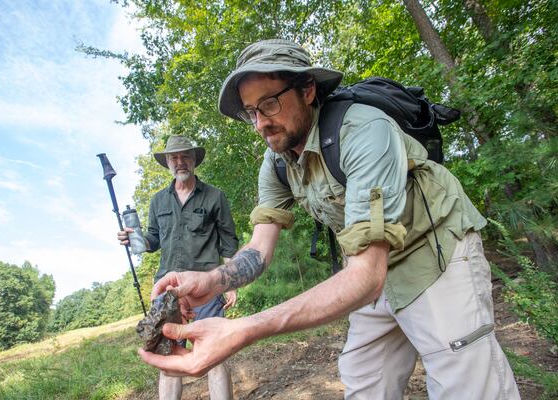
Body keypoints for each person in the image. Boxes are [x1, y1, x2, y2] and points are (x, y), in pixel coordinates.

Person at [138, 39, 521, 400]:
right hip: (370, 271)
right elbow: (258, 248)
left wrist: (243, 329)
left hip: (433, 252)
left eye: (269, 104)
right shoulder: (277, 161)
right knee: (364, 378)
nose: (260, 124)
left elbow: (365, 275)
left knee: (465, 382)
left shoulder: (363, 131)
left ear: (307, 90)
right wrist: (211, 280)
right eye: (251, 112)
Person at [118, 135, 239, 400]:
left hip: (206, 285)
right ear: (168, 164)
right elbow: (152, 239)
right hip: (167, 288)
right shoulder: (158, 201)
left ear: (194, 160)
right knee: (169, 357)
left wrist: (231, 283)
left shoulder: (214, 196)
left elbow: (229, 243)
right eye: (174, 158)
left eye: (185, 156)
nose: (179, 162)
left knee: (215, 355)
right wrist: (133, 239)